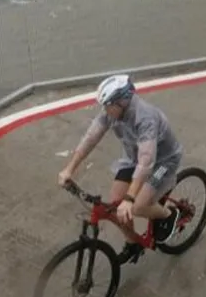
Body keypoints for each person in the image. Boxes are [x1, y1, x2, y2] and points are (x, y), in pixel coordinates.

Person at [57, 74, 184, 262]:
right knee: (116, 204)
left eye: (108, 105)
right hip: (134, 158)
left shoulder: (145, 118)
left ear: (122, 102)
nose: (105, 110)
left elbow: (147, 163)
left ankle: (169, 214)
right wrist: (69, 169)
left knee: (138, 207)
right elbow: (91, 137)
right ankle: (133, 243)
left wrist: (130, 198)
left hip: (163, 162)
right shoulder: (112, 112)